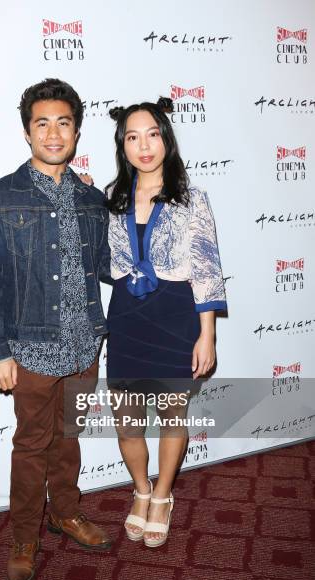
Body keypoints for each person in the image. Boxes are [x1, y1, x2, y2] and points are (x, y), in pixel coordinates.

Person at [0, 78, 112, 580]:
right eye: (42, 123)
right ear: (28, 132)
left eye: (64, 122)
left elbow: (109, 268)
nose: (54, 133)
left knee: (69, 438)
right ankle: (24, 537)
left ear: (76, 130)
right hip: (29, 348)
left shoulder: (94, 200)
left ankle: (66, 514)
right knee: (32, 446)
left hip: (83, 346)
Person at [105, 97, 227, 547]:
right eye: (132, 137)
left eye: (152, 134)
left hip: (175, 315)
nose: (144, 145)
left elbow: (207, 268)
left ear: (166, 138)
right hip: (127, 318)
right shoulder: (111, 199)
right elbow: (102, 260)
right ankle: (139, 490)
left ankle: (162, 496)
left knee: (174, 415)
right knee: (127, 419)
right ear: (123, 145)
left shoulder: (193, 199)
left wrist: (207, 334)